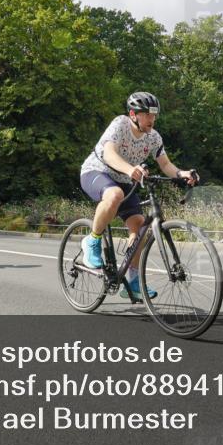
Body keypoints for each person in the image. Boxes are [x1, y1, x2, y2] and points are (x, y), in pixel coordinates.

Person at [79, 92, 199, 299]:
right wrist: (129, 169)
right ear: (134, 114)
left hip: (126, 180)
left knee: (141, 226)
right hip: (97, 171)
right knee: (114, 194)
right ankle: (92, 240)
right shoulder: (120, 124)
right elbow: (109, 154)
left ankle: (132, 281)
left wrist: (182, 173)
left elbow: (165, 165)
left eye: (154, 115)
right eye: (147, 115)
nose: (151, 119)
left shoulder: (154, 137)